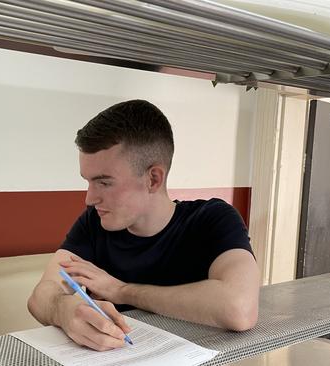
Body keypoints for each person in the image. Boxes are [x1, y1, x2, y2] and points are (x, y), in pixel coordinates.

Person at [27, 99, 260, 351]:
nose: (90, 198)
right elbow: (40, 297)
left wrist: (123, 291)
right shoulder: (94, 222)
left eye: (104, 182)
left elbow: (240, 308)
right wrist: (64, 310)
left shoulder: (212, 219)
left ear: (153, 179)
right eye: (88, 181)